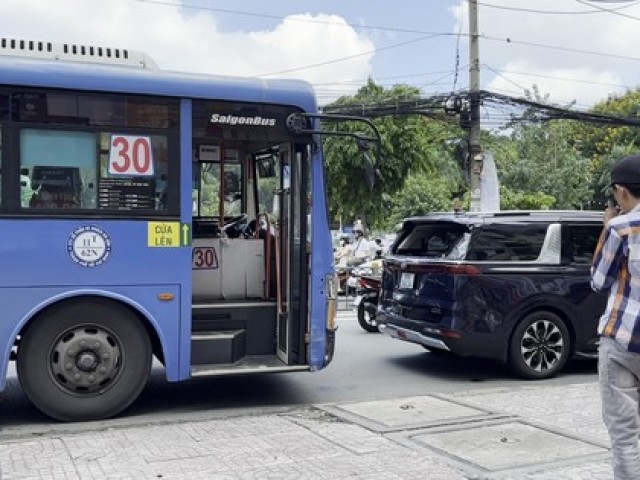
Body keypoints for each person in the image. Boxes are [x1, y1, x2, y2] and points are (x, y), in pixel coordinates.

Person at [591, 154, 640, 479]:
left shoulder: (621, 228)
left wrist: (606, 226)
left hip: (623, 342)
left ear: (621, 191)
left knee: (624, 435)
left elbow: (597, 280)